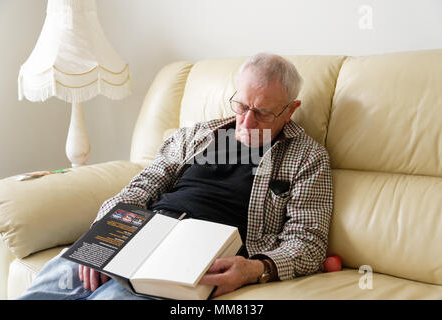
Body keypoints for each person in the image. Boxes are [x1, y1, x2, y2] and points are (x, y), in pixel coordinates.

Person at [18, 53, 333, 300]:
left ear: (290, 111)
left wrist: (255, 269)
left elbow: (309, 242)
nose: (247, 122)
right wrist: (102, 238)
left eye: (263, 113)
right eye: (241, 105)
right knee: (52, 286)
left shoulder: (307, 158)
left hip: (200, 251)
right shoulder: (195, 135)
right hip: (143, 231)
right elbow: (142, 186)